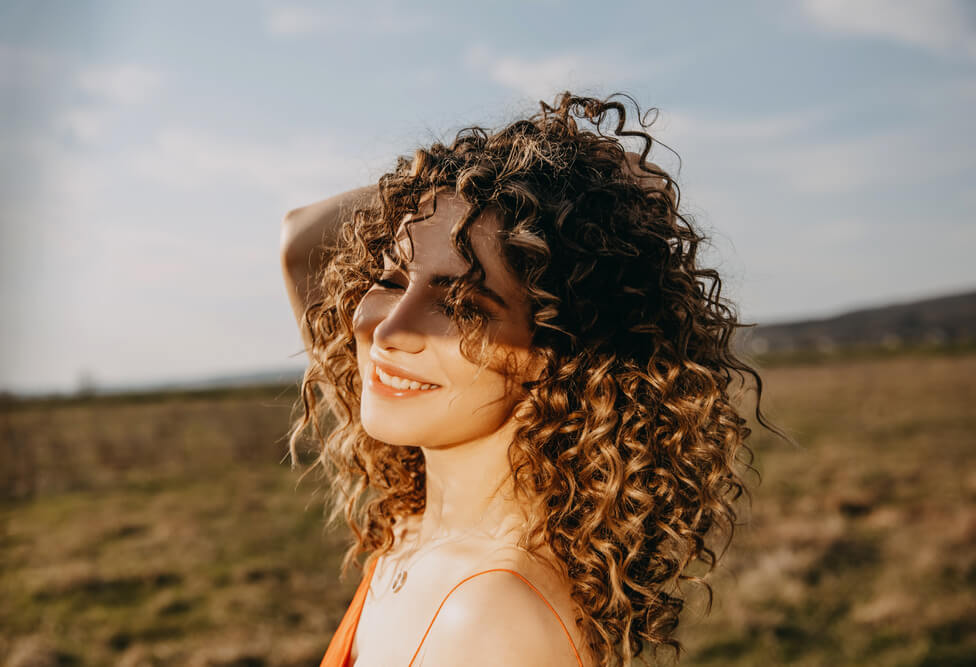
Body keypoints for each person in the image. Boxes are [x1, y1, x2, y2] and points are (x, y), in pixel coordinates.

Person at [279, 93, 772, 667]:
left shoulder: (491, 619)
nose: (388, 330)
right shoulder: (415, 523)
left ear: (558, 356)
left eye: (460, 303)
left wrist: (564, 190)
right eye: (390, 278)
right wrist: (523, 174)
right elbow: (299, 243)